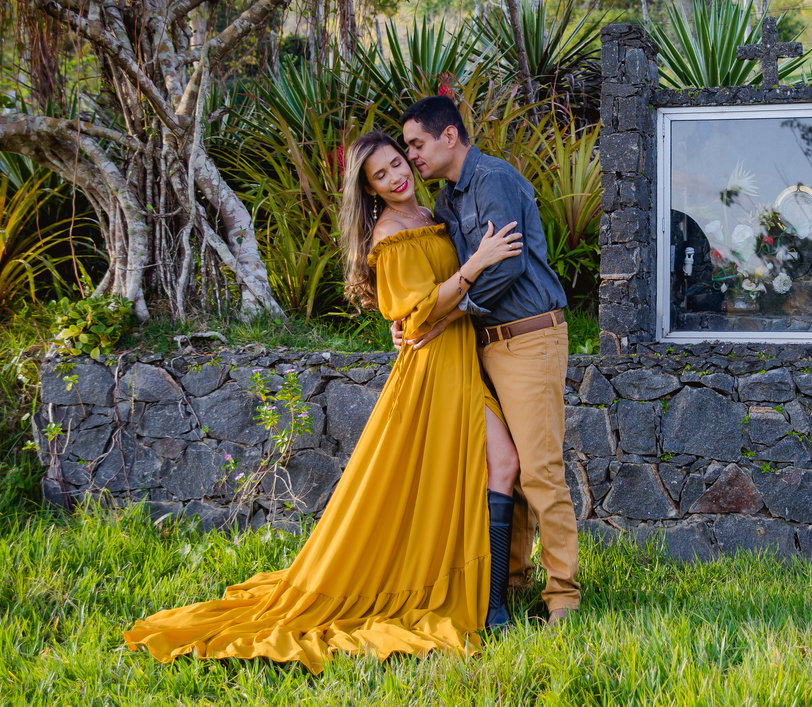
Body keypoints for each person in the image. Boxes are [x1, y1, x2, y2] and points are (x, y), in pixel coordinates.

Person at [123, 131, 523, 673]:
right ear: (369, 189)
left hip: (458, 360)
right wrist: (476, 264)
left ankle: (491, 598)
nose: (396, 177)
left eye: (397, 163)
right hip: (432, 370)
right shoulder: (390, 233)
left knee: (497, 466)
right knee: (494, 464)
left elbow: (425, 308)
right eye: (380, 175)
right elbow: (418, 310)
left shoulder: (430, 215)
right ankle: (491, 608)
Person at [393, 95, 580, 627]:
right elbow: (451, 274)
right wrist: (413, 313)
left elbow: (505, 267)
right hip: (484, 344)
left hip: (528, 338)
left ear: (449, 136)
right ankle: (512, 580)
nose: (412, 156)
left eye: (417, 144)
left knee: (541, 470)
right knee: (508, 468)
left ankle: (563, 599)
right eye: (408, 147)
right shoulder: (447, 202)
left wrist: (447, 317)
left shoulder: (493, 179)